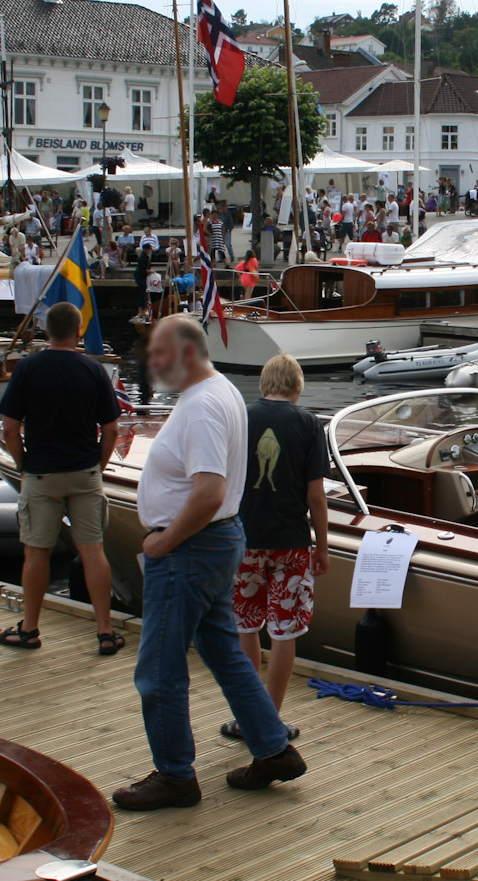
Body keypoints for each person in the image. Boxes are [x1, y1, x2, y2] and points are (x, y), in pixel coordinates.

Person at [116, 316, 306, 811]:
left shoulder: (201, 407)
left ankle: (176, 776)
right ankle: (273, 748)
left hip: (191, 548)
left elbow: (209, 491)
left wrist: (162, 542)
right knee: (224, 653)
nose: (152, 364)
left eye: (158, 354)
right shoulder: (220, 390)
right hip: (220, 541)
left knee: (158, 668)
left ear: (184, 353)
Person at [0, 302, 123, 656]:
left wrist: (23, 464)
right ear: (78, 330)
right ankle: (106, 632)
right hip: (84, 473)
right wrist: (97, 463)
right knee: (93, 550)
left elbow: (10, 427)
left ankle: (30, 629)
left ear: (46, 332)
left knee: (36, 553)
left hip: (41, 472)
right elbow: (111, 429)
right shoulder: (94, 370)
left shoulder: (28, 369)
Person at [224, 354, 329, 742]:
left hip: (242, 539)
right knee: (284, 632)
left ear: (263, 383)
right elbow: (316, 495)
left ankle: (245, 717)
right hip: (290, 543)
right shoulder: (308, 424)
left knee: (244, 626)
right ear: (297, 387)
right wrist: (322, 546)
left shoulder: (240, 416)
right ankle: (271, 720)